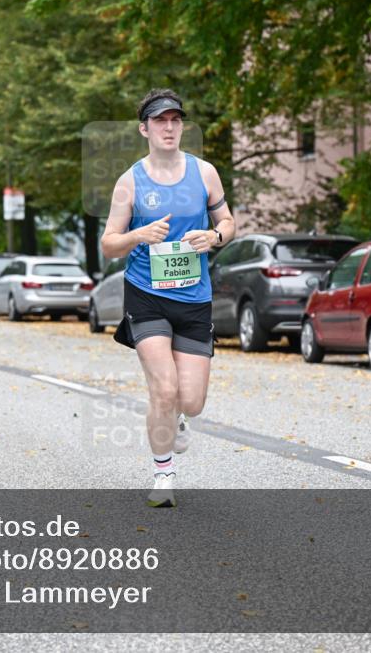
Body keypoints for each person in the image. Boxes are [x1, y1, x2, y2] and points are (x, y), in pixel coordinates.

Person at [100, 89, 236, 507]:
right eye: (160, 120)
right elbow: (109, 244)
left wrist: (213, 237)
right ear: (145, 128)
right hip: (147, 296)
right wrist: (138, 235)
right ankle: (162, 476)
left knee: (190, 402)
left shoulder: (205, 173)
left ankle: (176, 420)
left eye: (175, 120)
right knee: (164, 388)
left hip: (194, 298)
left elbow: (229, 223)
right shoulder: (130, 181)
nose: (169, 127)